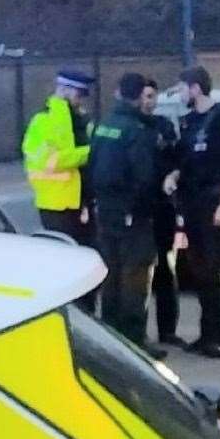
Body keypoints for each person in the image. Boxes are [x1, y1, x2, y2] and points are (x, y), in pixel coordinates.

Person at [168, 66, 220, 357]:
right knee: (200, 271)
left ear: (195, 88)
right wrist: (173, 175)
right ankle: (205, 334)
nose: (179, 94)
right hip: (192, 205)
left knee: (212, 272)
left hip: (215, 206)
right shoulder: (188, 122)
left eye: (182, 88)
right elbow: (184, 160)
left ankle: (217, 338)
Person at [87, 72, 162, 351]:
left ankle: (110, 333)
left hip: (106, 210)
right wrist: (145, 208)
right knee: (135, 276)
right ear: (138, 95)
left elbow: (91, 164)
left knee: (111, 272)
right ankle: (133, 340)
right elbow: (145, 177)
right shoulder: (137, 130)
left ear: (118, 92)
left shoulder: (104, 125)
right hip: (132, 214)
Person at [23, 68, 94, 241]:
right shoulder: (43, 121)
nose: (80, 102)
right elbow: (49, 161)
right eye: (78, 95)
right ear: (64, 90)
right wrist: (90, 153)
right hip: (56, 205)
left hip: (81, 202)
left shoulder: (81, 120)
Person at [140, 77, 184, 349]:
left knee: (166, 272)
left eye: (152, 96)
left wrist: (174, 175)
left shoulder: (164, 127)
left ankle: (168, 330)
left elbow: (178, 159)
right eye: (145, 96)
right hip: (141, 210)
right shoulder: (131, 128)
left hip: (163, 209)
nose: (149, 101)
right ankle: (139, 333)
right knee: (139, 275)